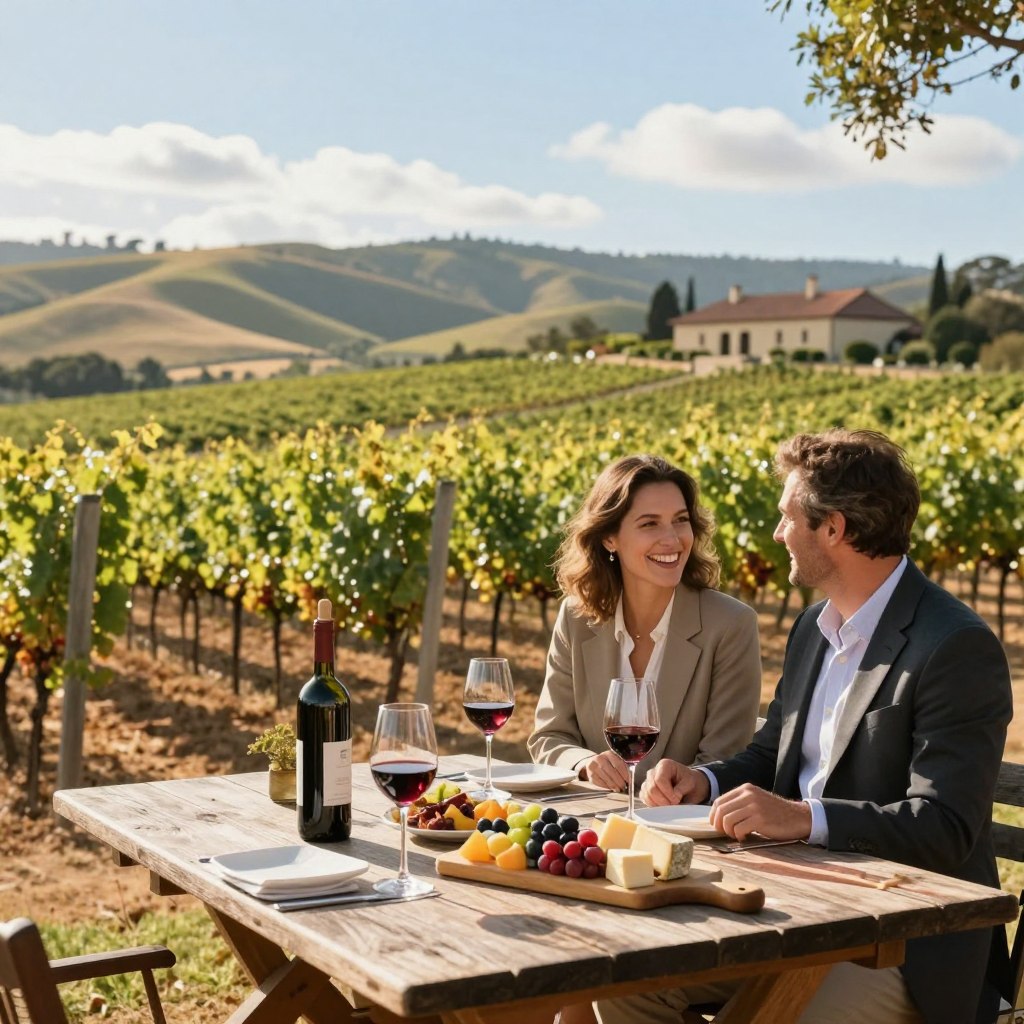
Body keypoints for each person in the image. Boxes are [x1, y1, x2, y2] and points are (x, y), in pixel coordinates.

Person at [614, 429, 1013, 1024]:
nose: (778, 534)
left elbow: (944, 825)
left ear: (834, 529)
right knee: (629, 979)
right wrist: (705, 781)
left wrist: (804, 818)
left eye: (788, 517)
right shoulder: (813, 629)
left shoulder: (954, 646)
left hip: (901, 944)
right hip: (793, 908)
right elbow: (772, 753)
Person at [528, 453, 762, 794]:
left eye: (680, 520)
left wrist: (679, 787)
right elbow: (549, 736)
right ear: (609, 537)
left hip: (684, 821)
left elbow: (725, 761)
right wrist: (584, 763)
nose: (672, 539)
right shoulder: (576, 618)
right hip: (593, 819)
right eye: (650, 524)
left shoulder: (730, 625)